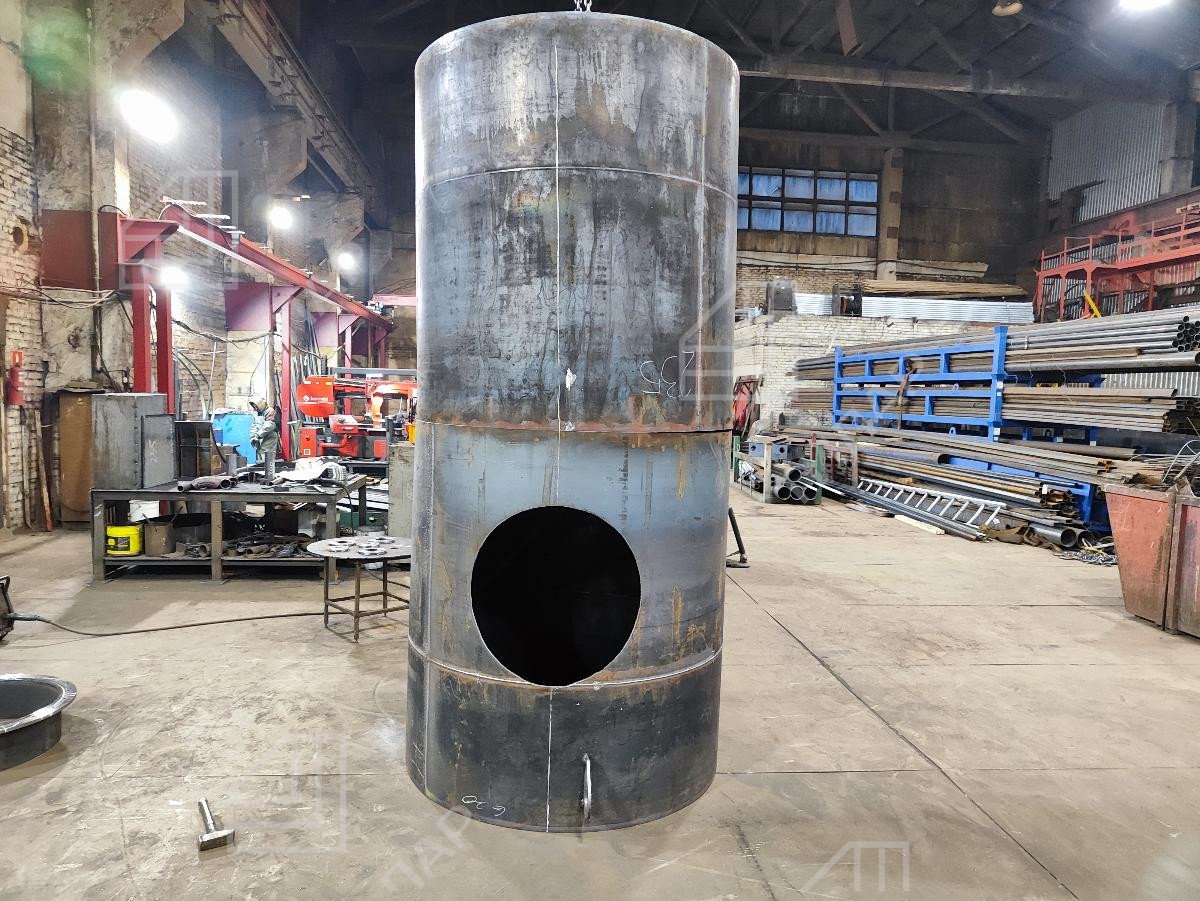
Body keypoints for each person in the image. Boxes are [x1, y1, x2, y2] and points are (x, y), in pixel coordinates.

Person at [249, 398, 280, 479]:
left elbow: (269, 426)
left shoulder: (270, 411)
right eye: (254, 407)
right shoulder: (257, 413)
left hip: (269, 437)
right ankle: (261, 474)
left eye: (256, 406)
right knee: (260, 454)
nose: (256, 408)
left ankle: (267, 475)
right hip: (260, 437)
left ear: (261, 404)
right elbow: (254, 425)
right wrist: (252, 437)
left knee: (266, 455)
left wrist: (258, 435)